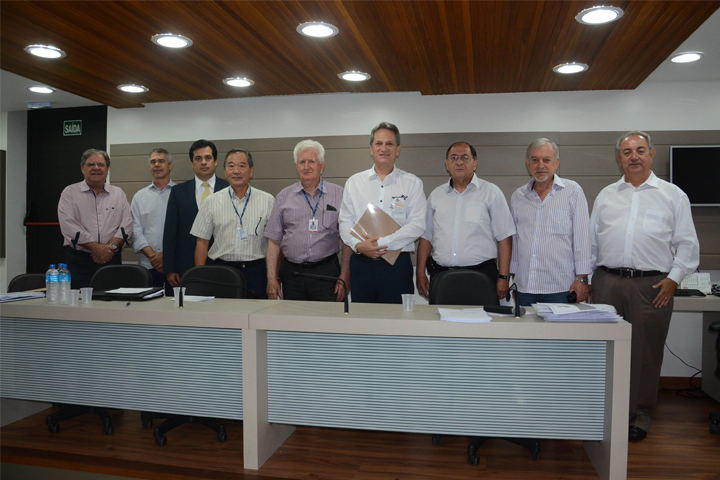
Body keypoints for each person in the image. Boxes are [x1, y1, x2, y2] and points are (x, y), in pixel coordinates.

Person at [590, 131, 699, 442]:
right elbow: (591, 242)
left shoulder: (673, 195)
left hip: (652, 286)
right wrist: (586, 279)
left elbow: (688, 244)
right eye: (627, 152)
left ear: (652, 154)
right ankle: (605, 412)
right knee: (604, 350)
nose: (633, 156)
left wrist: (674, 279)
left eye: (640, 150)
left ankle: (639, 416)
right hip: (607, 283)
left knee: (645, 355)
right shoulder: (607, 195)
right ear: (618, 158)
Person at [339, 122, 426, 304]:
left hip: (397, 265)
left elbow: (417, 224)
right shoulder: (354, 182)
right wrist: (358, 245)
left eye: (389, 144)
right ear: (371, 149)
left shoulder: (412, 183)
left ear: (398, 149)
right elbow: (345, 222)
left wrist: (382, 243)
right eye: (378, 143)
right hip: (361, 264)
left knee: (398, 318)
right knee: (363, 317)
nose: (384, 148)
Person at [416, 142, 515, 302]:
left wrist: (504, 277)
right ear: (447, 164)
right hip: (442, 276)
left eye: (465, 157)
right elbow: (426, 237)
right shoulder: (436, 195)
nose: (459, 162)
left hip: (482, 276)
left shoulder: (491, 193)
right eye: (454, 158)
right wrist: (420, 273)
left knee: (483, 318)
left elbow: (505, 237)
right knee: (441, 318)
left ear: (475, 163)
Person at [265, 140, 351, 301]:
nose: (306, 167)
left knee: (327, 317)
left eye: (312, 161)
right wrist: (271, 278)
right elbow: (274, 241)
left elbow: (348, 241)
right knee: (293, 317)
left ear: (322, 165)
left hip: (326, 273)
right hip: (292, 275)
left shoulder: (339, 194)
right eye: (301, 162)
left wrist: (345, 275)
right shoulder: (283, 196)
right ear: (296, 166)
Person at [509, 138, 592, 306]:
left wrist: (582, 279)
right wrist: (514, 277)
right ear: (527, 163)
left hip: (561, 287)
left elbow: (582, 238)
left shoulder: (573, 191)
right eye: (535, 160)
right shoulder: (518, 196)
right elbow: (515, 241)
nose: (540, 165)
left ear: (557, 163)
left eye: (546, 160)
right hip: (525, 287)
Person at [191, 149, 274, 299]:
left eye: (241, 166)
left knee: (256, 313)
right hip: (221, 272)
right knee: (222, 313)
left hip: (256, 273)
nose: (236, 171)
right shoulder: (211, 201)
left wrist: (273, 277)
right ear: (225, 171)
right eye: (231, 166)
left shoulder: (267, 201)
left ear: (251, 171)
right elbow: (202, 242)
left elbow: (274, 243)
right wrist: (201, 277)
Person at [58, 149, 133, 288]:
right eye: (91, 164)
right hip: (79, 262)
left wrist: (108, 249)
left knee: (113, 298)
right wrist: (96, 249)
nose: (96, 168)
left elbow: (127, 224)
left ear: (107, 169)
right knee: (79, 300)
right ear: (82, 168)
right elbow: (68, 225)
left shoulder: (118, 193)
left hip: (111, 259)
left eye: (101, 164)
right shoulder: (69, 193)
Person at [163, 139, 229, 292]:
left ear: (215, 161)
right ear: (192, 163)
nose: (203, 162)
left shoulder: (229, 189)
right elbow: (170, 233)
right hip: (186, 266)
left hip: (224, 266)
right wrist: (170, 268)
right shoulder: (178, 192)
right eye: (198, 158)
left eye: (208, 158)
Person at [130, 148, 176, 293]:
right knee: (148, 304)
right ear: (149, 166)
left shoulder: (181, 193)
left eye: (161, 161)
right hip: (147, 265)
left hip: (175, 266)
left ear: (170, 165)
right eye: (153, 162)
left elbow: (184, 231)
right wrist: (153, 256)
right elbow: (135, 230)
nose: (157, 165)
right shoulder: (139, 196)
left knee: (176, 304)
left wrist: (166, 255)